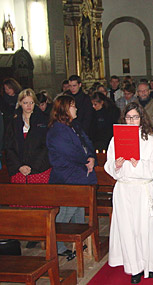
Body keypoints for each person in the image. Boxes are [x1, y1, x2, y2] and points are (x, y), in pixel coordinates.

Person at [104, 102, 153, 284]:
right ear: (124, 119)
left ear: (142, 119)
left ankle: (152, 264)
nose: (131, 121)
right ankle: (135, 267)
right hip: (124, 190)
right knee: (128, 229)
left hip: (143, 189)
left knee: (147, 229)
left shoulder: (151, 140)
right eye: (129, 117)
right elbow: (109, 164)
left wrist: (137, 164)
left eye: (135, 117)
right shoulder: (116, 139)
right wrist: (115, 165)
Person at [46, 95, 97, 259]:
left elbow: (87, 142)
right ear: (64, 110)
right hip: (67, 176)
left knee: (79, 210)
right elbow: (69, 152)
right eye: (73, 106)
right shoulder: (57, 130)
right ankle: (55, 244)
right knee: (67, 211)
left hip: (79, 174)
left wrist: (91, 156)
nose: (76, 109)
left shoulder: (74, 125)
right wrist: (85, 160)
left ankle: (79, 243)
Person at [4, 89, 50, 184]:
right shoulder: (12, 121)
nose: (29, 106)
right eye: (25, 103)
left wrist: (33, 165)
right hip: (19, 168)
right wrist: (19, 166)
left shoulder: (44, 120)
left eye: (31, 102)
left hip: (39, 168)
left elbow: (46, 145)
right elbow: (9, 146)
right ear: (20, 103)